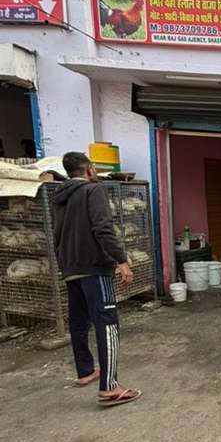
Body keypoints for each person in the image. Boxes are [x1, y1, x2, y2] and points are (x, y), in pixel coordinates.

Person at [52, 151, 142, 406]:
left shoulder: (59, 198)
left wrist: (65, 265)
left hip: (71, 268)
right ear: (89, 169)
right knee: (107, 322)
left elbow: (56, 236)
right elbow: (103, 229)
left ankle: (85, 371)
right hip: (94, 266)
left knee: (79, 322)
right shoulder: (93, 192)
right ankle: (110, 387)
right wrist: (121, 260)